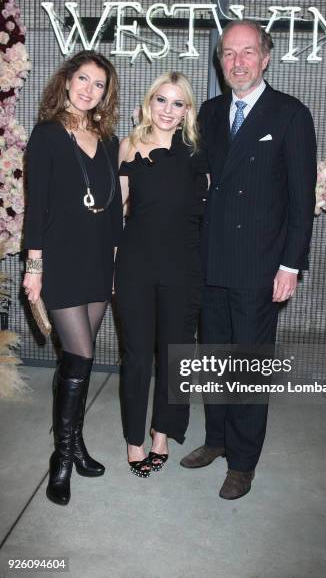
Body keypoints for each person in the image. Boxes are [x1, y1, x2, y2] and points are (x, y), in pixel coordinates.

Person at [180, 20, 317, 499]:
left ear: (266, 58)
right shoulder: (211, 113)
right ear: (221, 63)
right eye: (228, 54)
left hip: (260, 268)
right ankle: (215, 439)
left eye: (247, 52)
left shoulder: (290, 115)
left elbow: (302, 201)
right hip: (210, 261)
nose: (237, 62)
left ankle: (242, 461)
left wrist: (290, 265)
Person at [23, 50, 122, 505]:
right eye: (83, 78)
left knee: (76, 363)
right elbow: (36, 208)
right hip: (60, 261)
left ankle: (76, 444)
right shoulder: (46, 136)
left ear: (106, 93)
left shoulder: (108, 140)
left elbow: (115, 209)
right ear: (66, 81)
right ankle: (61, 460)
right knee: (79, 358)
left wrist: (117, 261)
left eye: (98, 84)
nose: (89, 89)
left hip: (99, 261)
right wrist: (35, 267)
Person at [115, 71, 207, 478]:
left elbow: (206, 214)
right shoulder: (128, 146)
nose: (168, 110)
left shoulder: (197, 152)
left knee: (175, 357)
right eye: (162, 101)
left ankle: (162, 433)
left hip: (182, 268)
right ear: (148, 103)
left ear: (187, 110)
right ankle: (134, 438)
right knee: (136, 357)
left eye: (178, 103)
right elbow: (117, 214)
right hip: (134, 265)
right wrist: (113, 268)